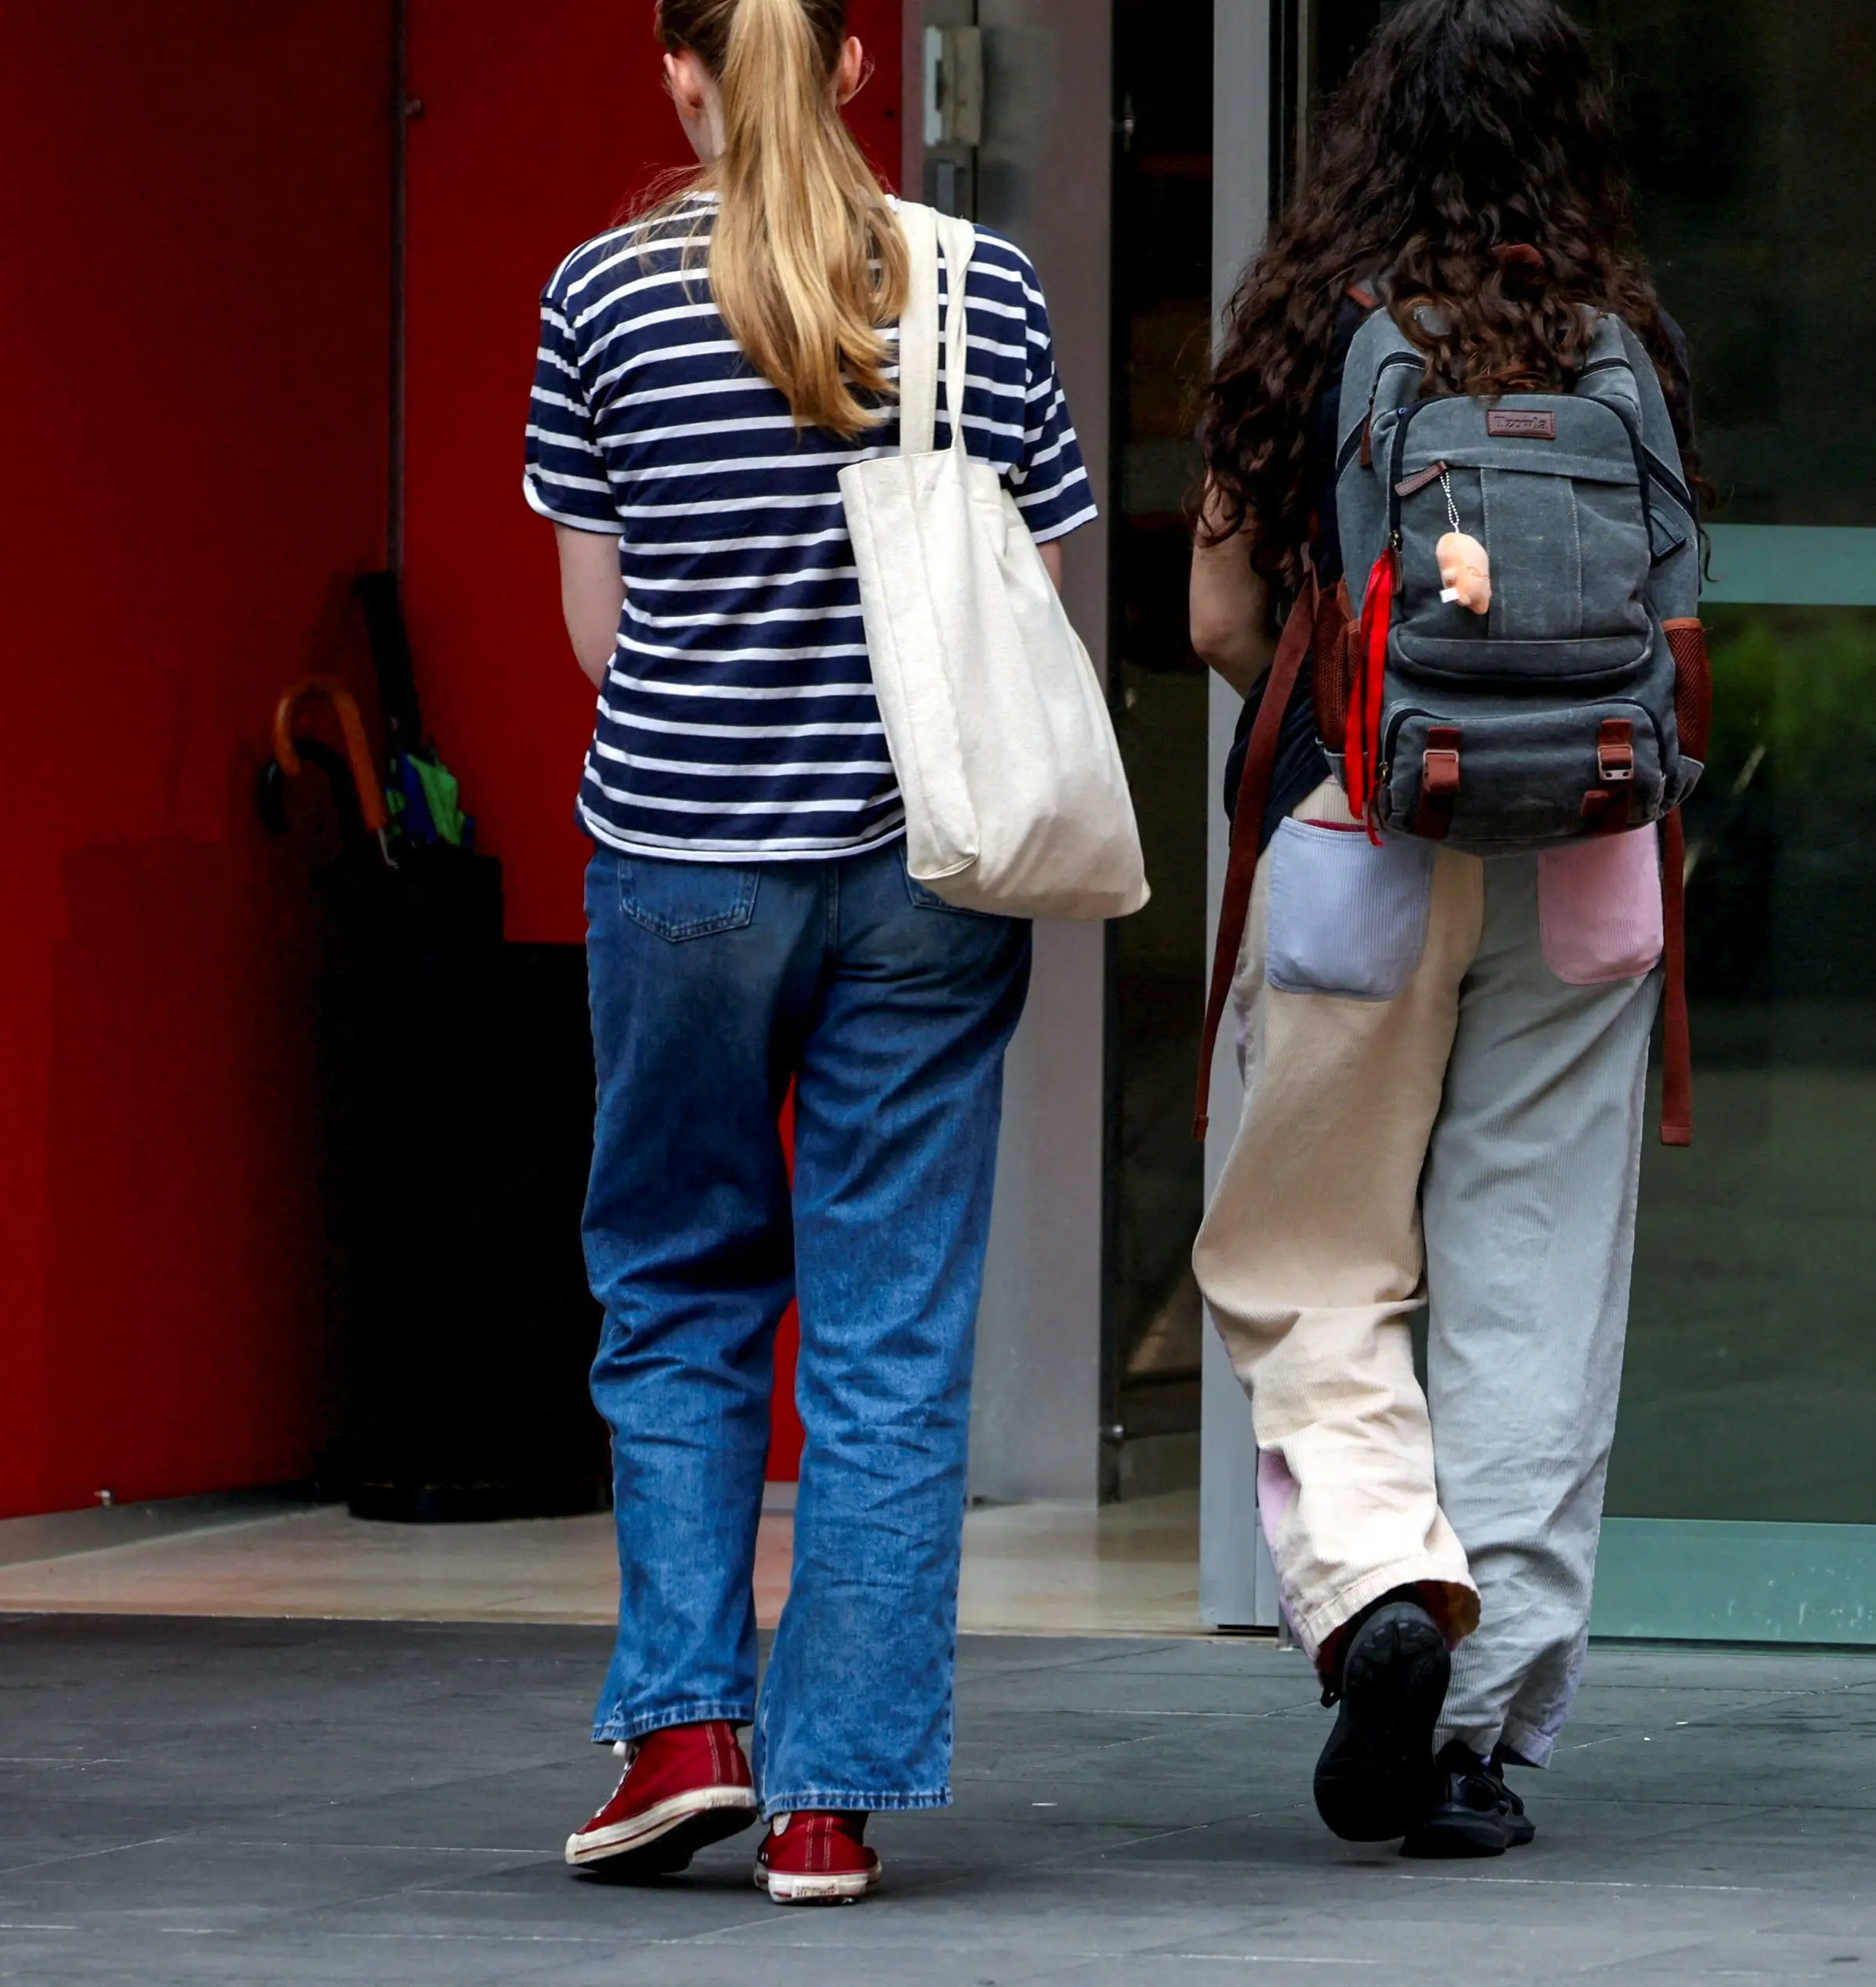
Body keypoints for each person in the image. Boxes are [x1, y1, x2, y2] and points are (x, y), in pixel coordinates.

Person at [527, 0, 1095, 1904]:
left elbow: (598, 633)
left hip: (679, 866)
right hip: (924, 868)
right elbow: (1027, 595)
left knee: (678, 1287)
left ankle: (683, 1731)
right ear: (856, 67)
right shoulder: (981, 291)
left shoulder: (600, 297)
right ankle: (831, 1796)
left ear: (677, 71)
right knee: (889, 1323)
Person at [1184, 0, 1692, 1862]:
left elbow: (1219, 621)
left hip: (1360, 842)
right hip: (1587, 858)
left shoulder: (1301, 324)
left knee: (1312, 1253)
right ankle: (1475, 1739)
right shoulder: (1621, 334)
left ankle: (1381, 1584)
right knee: (1533, 1281)